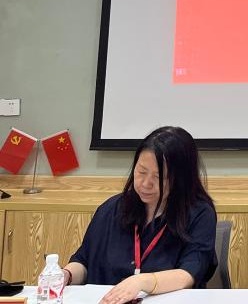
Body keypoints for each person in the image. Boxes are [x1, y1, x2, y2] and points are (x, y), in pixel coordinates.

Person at [65, 126, 217, 304]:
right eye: (141, 172)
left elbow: (188, 274)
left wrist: (142, 282)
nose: (145, 183)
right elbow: (83, 262)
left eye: (159, 177)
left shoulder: (199, 214)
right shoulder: (111, 208)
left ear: (181, 179)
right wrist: (66, 275)